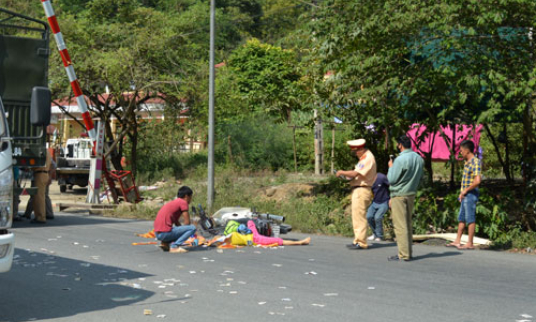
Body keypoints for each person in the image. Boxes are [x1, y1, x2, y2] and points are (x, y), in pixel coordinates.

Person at [387, 135, 424, 261]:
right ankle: (408, 251)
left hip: (399, 194)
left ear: (400, 145)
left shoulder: (400, 159)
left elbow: (392, 179)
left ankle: (403, 254)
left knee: (400, 225)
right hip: (411, 193)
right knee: (407, 223)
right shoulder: (419, 158)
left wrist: (391, 167)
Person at [336, 139, 377, 250]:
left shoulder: (367, 158)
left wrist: (341, 172)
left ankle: (361, 242)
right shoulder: (364, 158)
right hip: (359, 189)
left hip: (362, 189)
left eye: (356, 151)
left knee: (360, 217)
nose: (355, 154)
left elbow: (354, 173)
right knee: (357, 216)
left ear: (361, 149)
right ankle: (357, 240)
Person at [446, 140, 482, 250]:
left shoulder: (475, 162)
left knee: (470, 217)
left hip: (470, 194)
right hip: (465, 193)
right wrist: (462, 193)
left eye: (461, 150)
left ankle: (470, 242)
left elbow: (477, 181)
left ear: (467, 150)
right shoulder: (467, 162)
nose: (460, 153)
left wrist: (466, 191)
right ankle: (458, 240)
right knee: (461, 217)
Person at [153, 186, 197, 253]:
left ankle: (165, 243)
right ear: (186, 196)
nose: (190, 199)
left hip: (158, 234)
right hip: (164, 233)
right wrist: (192, 234)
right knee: (192, 228)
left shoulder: (174, 203)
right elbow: (187, 222)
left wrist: (184, 232)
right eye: (190, 197)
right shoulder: (183, 202)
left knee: (179, 230)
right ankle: (175, 246)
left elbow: (177, 224)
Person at [24, 152, 56, 220]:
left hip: (40, 174)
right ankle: (44, 214)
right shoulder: (47, 153)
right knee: (41, 196)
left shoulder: (40, 152)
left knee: (39, 197)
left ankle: (40, 216)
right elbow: (53, 165)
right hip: (44, 175)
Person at [366, 173, 390, 241]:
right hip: (375, 202)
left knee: (377, 217)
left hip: (384, 201)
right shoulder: (368, 180)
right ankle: (374, 234)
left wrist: (391, 198)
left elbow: (391, 186)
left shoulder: (381, 177)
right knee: (369, 216)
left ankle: (379, 236)